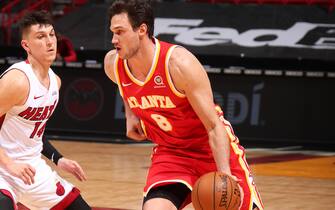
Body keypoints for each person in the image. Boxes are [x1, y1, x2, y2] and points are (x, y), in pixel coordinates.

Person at [104, 1, 263, 210]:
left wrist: (225, 177)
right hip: (171, 153)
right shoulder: (113, 64)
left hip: (209, 149)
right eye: (112, 32)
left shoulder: (178, 64)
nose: (114, 39)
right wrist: (131, 115)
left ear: (142, 29)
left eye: (120, 32)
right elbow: (125, 86)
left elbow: (214, 127)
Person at [0, 10, 91, 210]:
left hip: (31, 169)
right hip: (2, 168)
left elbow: (34, 134)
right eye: (41, 37)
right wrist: (8, 164)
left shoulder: (55, 82)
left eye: (51, 35)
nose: (50, 41)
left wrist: (59, 159)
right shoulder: (17, 81)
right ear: (26, 45)